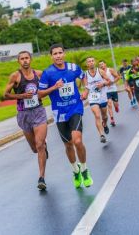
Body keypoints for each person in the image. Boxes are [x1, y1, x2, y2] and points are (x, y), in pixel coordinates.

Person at [38, 44, 93, 188]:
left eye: (60, 53)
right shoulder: (48, 73)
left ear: (64, 54)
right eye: (55, 54)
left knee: (77, 141)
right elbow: (40, 94)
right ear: (51, 56)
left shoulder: (74, 68)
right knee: (68, 144)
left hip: (75, 107)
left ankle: (85, 170)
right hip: (59, 113)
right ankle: (76, 171)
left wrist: (86, 90)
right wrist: (54, 87)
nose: (58, 56)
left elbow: (83, 77)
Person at [4, 51, 49, 191]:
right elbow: (5, 94)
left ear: (31, 59)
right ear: (19, 61)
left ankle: (41, 177)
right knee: (35, 148)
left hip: (39, 111)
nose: (25, 61)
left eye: (27, 58)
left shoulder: (39, 74)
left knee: (39, 144)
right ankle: (43, 147)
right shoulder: (15, 76)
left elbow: (49, 85)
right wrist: (23, 95)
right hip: (23, 114)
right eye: (22, 59)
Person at [85, 57, 111, 143]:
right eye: (89, 61)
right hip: (92, 98)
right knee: (97, 115)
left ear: (95, 62)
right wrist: (84, 94)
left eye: (92, 61)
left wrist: (103, 84)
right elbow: (86, 87)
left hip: (102, 97)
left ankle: (105, 124)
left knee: (105, 116)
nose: (91, 62)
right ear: (87, 64)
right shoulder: (85, 74)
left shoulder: (100, 71)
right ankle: (101, 135)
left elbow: (109, 81)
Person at [99, 60, 121, 127]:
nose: (101, 65)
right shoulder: (100, 73)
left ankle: (116, 106)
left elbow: (118, 77)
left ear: (105, 64)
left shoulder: (110, 70)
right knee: (109, 104)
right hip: (106, 91)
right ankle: (112, 119)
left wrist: (112, 82)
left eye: (102, 64)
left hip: (113, 89)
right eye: (100, 65)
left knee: (115, 104)